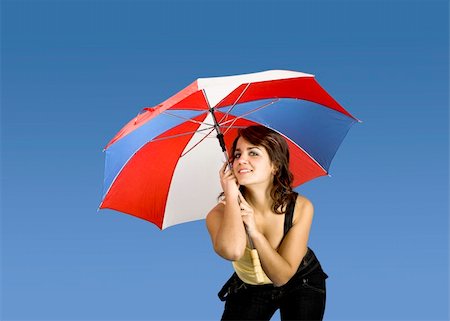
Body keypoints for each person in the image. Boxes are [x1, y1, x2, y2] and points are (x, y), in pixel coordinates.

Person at [206, 125, 328, 321]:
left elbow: (282, 277)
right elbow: (233, 251)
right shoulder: (217, 215)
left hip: (300, 279)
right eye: (237, 155)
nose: (241, 160)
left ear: (275, 166)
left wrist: (254, 231)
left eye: (253, 152)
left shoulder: (300, 207)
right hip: (249, 286)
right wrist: (230, 194)